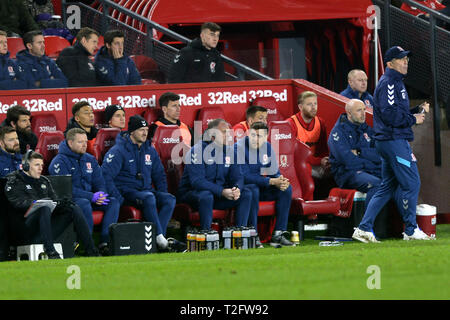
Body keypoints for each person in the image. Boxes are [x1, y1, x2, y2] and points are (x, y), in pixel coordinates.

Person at [352, 46, 433, 243]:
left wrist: (415, 110)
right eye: (401, 59)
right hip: (393, 141)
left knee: (387, 186)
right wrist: (413, 120)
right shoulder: (389, 83)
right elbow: (389, 115)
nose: (406, 62)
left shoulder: (395, 82)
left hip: (390, 141)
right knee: (412, 182)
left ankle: (363, 228)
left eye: (406, 58)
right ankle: (411, 230)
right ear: (389, 63)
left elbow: (392, 111)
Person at [101, 115, 177, 251]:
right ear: (132, 132)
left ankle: (160, 237)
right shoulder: (118, 151)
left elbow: (159, 175)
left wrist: (162, 193)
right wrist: (119, 198)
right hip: (127, 192)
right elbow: (106, 176)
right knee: (148, 197)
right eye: (141, 129)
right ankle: (159, 238)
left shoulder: (150, 150)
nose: (145, 133)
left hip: (146, 191)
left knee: (169, 200)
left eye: (146, 129)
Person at [4, 150, 98, 259]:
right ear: (25, 166)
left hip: (44, 230)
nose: (40, 168)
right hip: (23, 231)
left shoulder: (44, 181)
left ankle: (91, 251)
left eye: (42, 165)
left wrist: (60, 203)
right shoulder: (14, 182)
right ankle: (51, 252)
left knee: (72, 208)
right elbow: (18, 203)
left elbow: (54, 200)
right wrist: (38, 203)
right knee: (43, 207)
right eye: (37, 165)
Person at [49, 128, 120, 254]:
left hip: (91, 198)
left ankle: (105, 242)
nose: (84, 145)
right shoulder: (59, 162)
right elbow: (65, 189)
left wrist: (101, 194)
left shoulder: (90, 159)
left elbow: (100, 182)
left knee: (113, 202)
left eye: (85, 142)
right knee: (84, 203)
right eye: (80, 142)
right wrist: (91, 196)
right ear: (70, 143)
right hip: (72, 200)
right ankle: (87, 245)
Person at [177, 119, 252, 230]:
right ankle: (206, 234)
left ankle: (240, 233)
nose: (228, 135)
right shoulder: (196, 151)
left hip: (218, 195)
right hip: (193, 195)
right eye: (224, 132)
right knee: (206, 195)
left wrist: (236, 188)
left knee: (246, 193)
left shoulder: (231, 152)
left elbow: (238, 176)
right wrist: (221, 191)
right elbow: (198, 182)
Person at [235, 122, 295, 247]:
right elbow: (244, 176)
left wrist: (280, 180)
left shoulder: (267, 147)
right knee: (253, 189)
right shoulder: (239, 147)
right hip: (245, 189)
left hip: (262, 186)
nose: (256, 139)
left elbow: (274, 172)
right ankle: (253, 234)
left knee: (286, 189)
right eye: (253, 135)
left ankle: (279, 234)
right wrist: (270, 181)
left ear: (266, 136)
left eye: (259, 136)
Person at [328, 99, 382, 209]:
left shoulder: (367, 130)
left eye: (364, 110)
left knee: (399, 180)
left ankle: (409, 224)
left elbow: (380, 154)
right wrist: (370, 161)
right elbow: (348, 161)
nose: (363, 114)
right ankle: (366, 225)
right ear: (349, 113)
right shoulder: (337, 133)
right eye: (359, 111)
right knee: (378, 185)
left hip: (370, 170)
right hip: (347, 174)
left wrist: (360, 152)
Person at [287, 91, 330, 178]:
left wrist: (326, 160)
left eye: (315, 104)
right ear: (300, 107)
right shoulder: (291, 123)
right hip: (298, 163)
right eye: (309, 104)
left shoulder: (320, 122)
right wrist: (318, 161)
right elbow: (293, 155)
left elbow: (323, 149)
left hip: (315, 162)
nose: (314, 107)